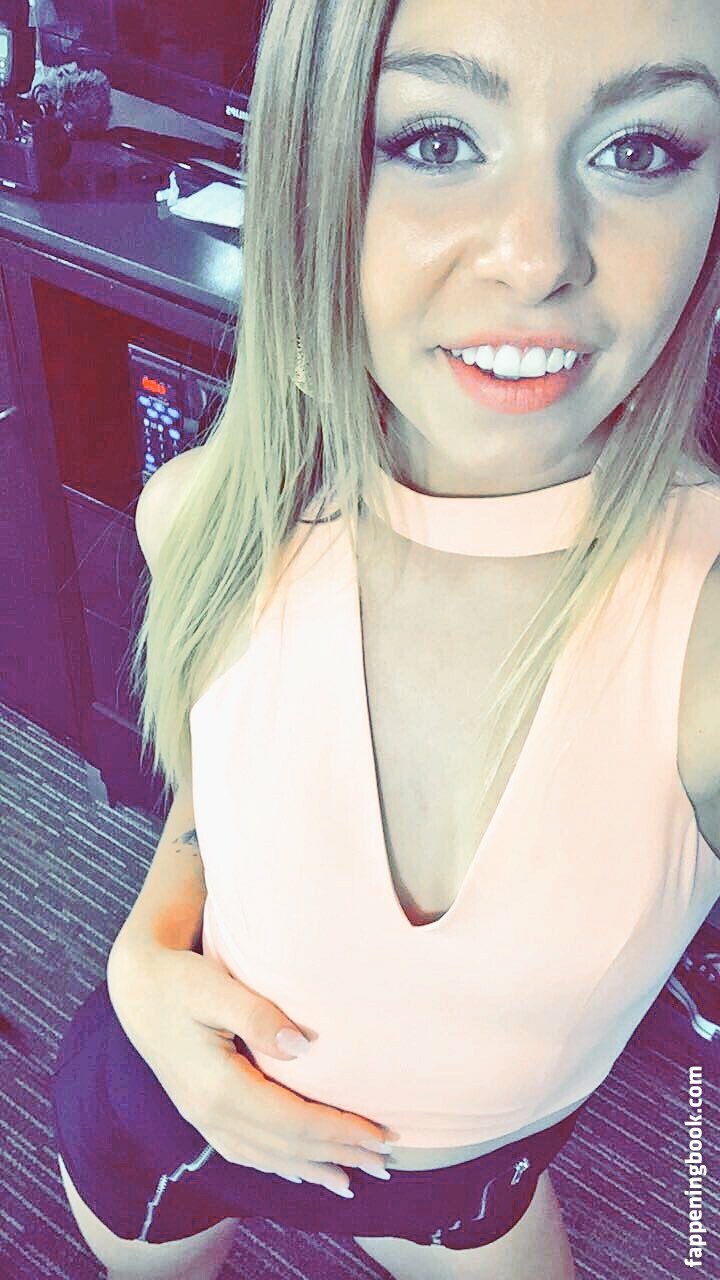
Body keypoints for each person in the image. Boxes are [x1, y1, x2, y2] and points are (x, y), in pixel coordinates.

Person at [50, 1, 720, 1277]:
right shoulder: (204, 516)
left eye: (641, 150)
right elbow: (215, 791)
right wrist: (144, 953)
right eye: (434, 138)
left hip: (466, 1193)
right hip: (164, 1122)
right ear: (310, 165)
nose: (535, 256)